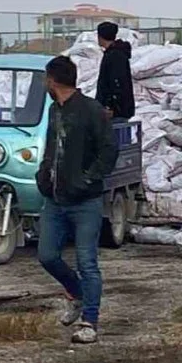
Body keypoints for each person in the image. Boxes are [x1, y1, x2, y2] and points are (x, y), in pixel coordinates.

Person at [37, 56, 118, 344]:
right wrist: (43, 175)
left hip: (85, 201)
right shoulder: (54, 110)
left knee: (87, 262)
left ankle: (89, 322)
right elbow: (51, 148)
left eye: (46, 79)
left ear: (53, 80)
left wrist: (86, 180)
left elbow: (109, 151)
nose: (45, 84)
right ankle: (77, 294)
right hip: (55, 200)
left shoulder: (91, 110)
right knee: (47, 256)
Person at [94, 21, 135, 120]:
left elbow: (117, 82)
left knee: (116, 134)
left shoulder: (114, 56)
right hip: (119, 110)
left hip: (116, 112)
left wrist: (111, 107)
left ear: (100, 36)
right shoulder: (115, 53)